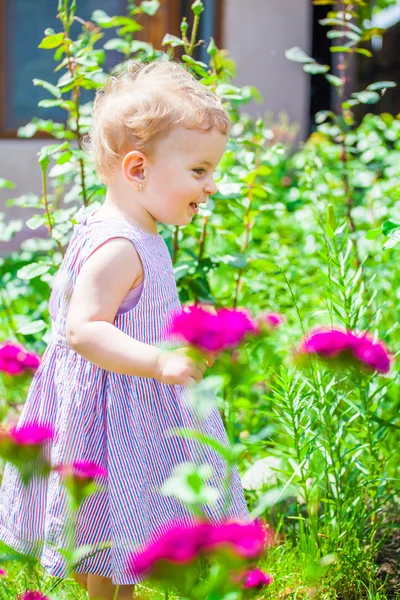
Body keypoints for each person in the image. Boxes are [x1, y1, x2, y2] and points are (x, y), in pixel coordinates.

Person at [0, 58, 249, 599]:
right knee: (109, 530)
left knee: (115, 538)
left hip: (124, 408)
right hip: (108, 414)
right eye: (200, 171)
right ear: (137, 169)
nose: (211, 186)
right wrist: (159, 361)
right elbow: (83, 330)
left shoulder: (129, 228)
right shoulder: (119, 246)